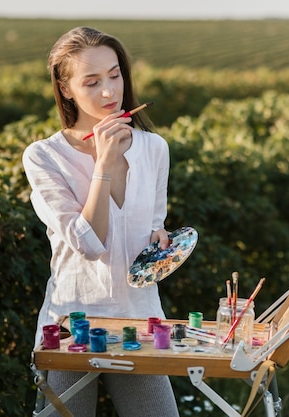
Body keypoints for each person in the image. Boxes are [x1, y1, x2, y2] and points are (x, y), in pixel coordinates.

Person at [22, 26, 179, 417]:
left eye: (115, 75)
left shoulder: (154, 148)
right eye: (92, 82)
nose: (109, 92)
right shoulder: (43, 157)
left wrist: (160, 243)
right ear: (66, 89)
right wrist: (104, 164)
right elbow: (90, 244)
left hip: (139, 323)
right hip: (70, 325)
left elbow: (152, 226)